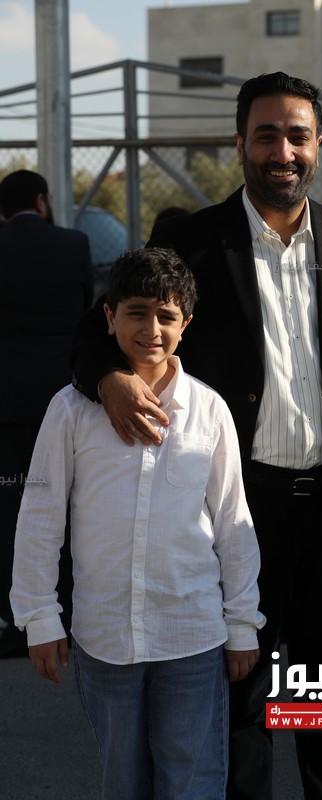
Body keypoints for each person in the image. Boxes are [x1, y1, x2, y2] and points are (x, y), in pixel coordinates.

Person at [71, 73, 322, 800]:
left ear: (318, 145)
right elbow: (96, 330)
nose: (283, 151)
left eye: (297, 136)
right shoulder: (190, 241)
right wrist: (109, 378)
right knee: (240, 697)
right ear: (239, 144)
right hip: (233, 513)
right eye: (266, 135)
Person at [11, 247, 265, 800]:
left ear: (186, 325)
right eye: (136, 312)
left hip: (193, 634)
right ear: (109, 317)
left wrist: (243, 622)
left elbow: (233, 522)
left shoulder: (210, 410)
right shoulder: (71, 411)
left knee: (193, 779)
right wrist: (40, 617)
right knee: (122, 781)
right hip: (105, 636)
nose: (151, 329)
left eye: (166, 316)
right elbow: (40, 516)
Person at [0, 169, 93, 658]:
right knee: (70, 504)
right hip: (63, 397)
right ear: (41, 201)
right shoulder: (73, 244)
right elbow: (86, 314)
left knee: (12, 508)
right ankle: (70, 611)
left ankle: (20, 620)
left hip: (7, 402)